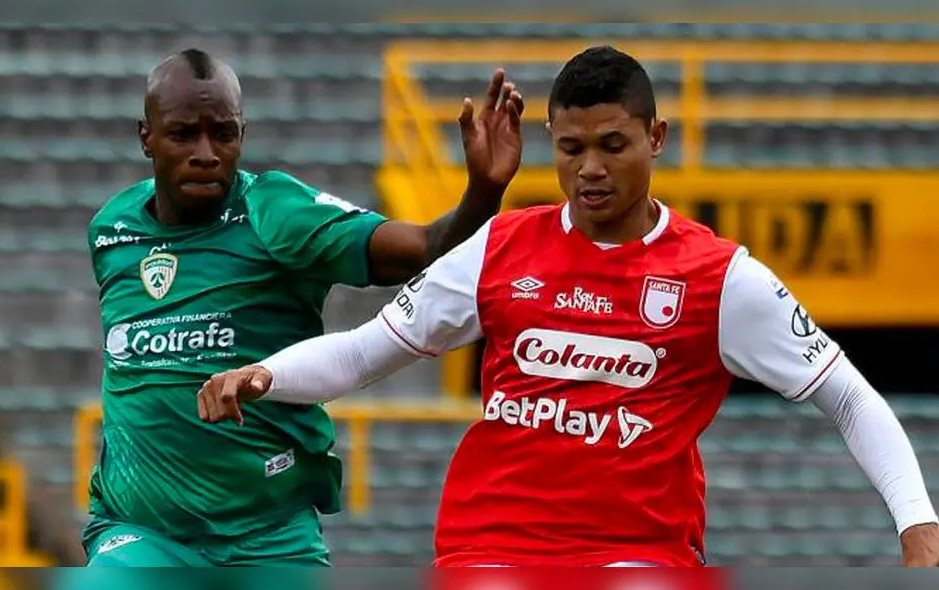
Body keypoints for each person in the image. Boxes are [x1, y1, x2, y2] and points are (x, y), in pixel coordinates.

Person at [196, 45, 939, 568]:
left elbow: (847, 397)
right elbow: (364, 351)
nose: (589, 169)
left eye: (613, 145)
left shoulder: (720, 280)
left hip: (638, 554)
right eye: (570, 146)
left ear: (657, 139)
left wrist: (919, 529)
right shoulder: (500, 249)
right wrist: (266, 374)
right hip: (489, 545)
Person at [81, 48, 524, 568]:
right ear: (146, 136)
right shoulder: (113, 230)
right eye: (183, 134)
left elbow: (425, 247)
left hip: (267, 535)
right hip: (138, 534)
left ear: (242, 134)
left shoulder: (275, 211)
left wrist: (483, 191)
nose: (206, 152)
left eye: (223, 133)